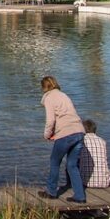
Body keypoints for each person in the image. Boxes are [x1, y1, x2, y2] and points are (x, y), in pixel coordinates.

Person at [39, 75, 86, 203]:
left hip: (66, 133)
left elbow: (50, 120)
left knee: (55, 161)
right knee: (72, 165)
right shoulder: (64, 95)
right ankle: (80, 196)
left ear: (44, 87)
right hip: (79, 131)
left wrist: (47, 135)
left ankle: (51, 191)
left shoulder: (49, 98)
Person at [78, 119, 110, 188]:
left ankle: (70, 184)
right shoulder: (102, 141)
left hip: (85, 182)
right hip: (105, 182)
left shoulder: (81, 141)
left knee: (72, 162)